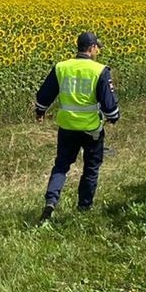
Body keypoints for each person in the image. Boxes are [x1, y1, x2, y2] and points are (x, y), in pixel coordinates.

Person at [34, 31, 120, 221]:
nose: (98, 50)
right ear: (91, 48)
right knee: (91, 167)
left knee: (61, 165)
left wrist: (40, 112)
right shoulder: (100, 70)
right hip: (91, 130)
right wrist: (114, 117)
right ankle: (84, 207)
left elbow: (44, 96)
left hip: (67, 127)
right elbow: (109, 105)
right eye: (97, 47)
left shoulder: (61, 67)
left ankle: (51, 201)